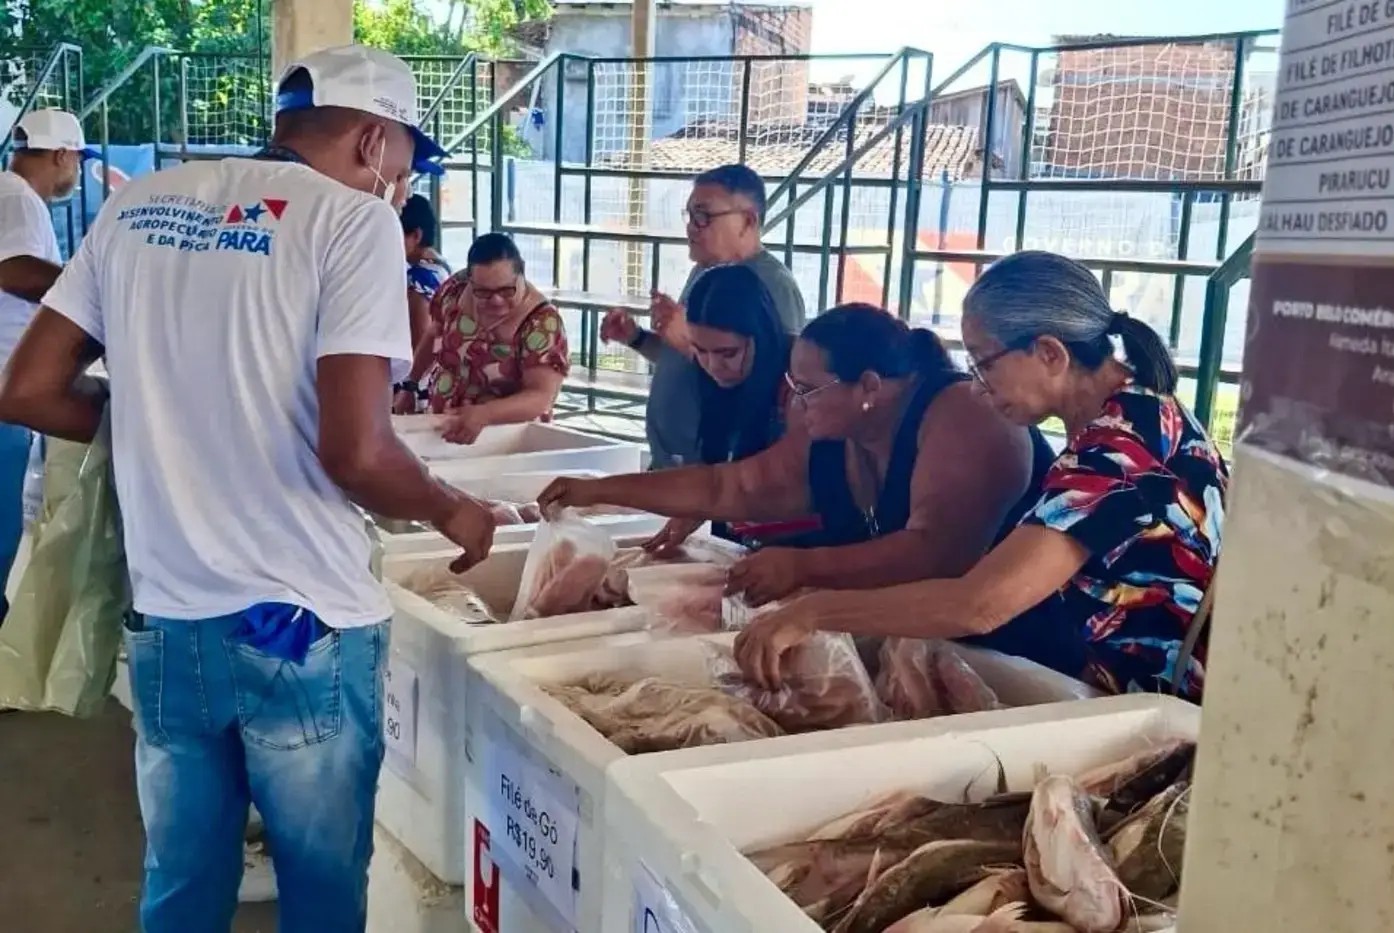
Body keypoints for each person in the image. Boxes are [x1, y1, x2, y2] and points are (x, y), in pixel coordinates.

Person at [0, 46, 496, 932]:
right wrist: (451, 506)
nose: (402, 180)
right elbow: (357, 451)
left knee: (182, 880)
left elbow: (28, 389)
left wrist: (159, 426)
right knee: (318, 885)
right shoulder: (353, 225)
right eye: (408, 161)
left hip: (167, 618)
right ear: (375, 140)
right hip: (301, 625)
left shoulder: (139, 206)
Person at [731, 252, 1227, 703]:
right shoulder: (1148, 411)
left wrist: (812, 611)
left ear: (1050, 354)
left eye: (984, 363)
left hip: (1154, 706)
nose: (978, 386)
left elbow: (979, 604)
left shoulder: (1114, 453)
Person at [542, 303, 1080, 673]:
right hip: (916, 643)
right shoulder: (835, 429)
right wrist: (596, 490)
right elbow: (732, 486)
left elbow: (936, 555)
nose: (795, 404)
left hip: (1020, 659)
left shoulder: (965, 415)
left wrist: (804, 571)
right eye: (792, 387)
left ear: (869, 386)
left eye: (809, 389)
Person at [600, 163, 805, 468]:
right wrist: (637, 338)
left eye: (704, 216)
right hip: (674, 460)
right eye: (690, 216)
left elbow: (770, 383)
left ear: (747, 221)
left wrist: (686, 341)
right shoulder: (704, 272)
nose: (691, 227)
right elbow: (689, 360)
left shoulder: (773, 285)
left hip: (722, 468)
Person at [0, 108, 94, 617]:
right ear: (61, 155)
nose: (76, 172)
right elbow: (14, 270)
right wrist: (91, 295)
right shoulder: (16, 197)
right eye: (77, 160)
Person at [655, 263, 791, 540]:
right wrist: (696, 510)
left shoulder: (796, 383)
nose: (713, 366)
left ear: (759, 337)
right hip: (739, 542)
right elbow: (715, 469)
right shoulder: (711, 374)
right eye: (700, 351)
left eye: (727, 353)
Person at [425, 232, 569, 444]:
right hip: (441, 428)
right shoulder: (454, 290)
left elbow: (540, 396)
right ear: (469, 280)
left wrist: (485, 414)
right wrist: (410, 385)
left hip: (505, 440)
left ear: (522, 273)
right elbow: (433, 333)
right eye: (483, 292)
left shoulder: (542, 324)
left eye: (506, 290)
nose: (496, 301)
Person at [393, 193, 451, 414]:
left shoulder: (418, 279)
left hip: (414, 385)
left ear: (415, 235)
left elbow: (420, 340)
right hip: (429, 380)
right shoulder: (440, 267)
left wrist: (408, 384)